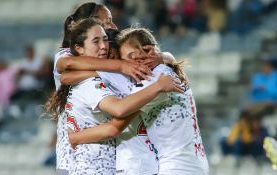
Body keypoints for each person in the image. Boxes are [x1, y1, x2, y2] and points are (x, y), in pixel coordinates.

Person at [45, 18, 183, 175]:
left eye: (105, 41)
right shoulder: (91, 83)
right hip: (99, 166)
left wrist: (162, 57)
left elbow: (66, 77)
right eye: (96, 41)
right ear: (79, 48)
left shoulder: (122, 77)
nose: (104, 47)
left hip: (124, 162)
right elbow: (117, 115)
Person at [68, 27, 209, 175]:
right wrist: (165, 57)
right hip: (195, 162)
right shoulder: (166, 71)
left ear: (147, 51)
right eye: (124, 60)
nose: (129, 65)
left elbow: (117, 119)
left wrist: (75, 137)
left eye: (131, 57)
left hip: (177, 166)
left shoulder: (153, 83)